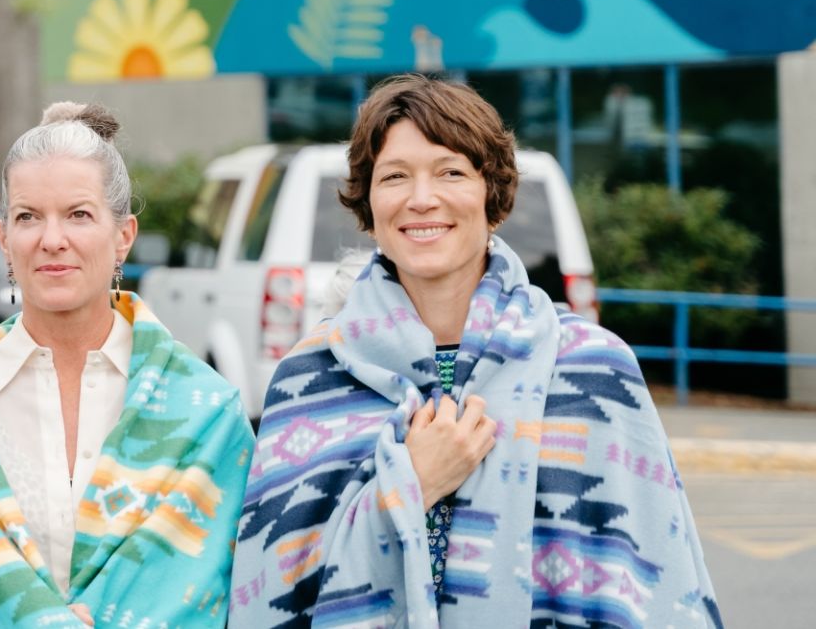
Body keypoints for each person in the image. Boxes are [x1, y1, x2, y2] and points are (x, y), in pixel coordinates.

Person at [229, 75, 722, 627]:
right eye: (394, 177)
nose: (422, 199)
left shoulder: (591, 368)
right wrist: (411, 484)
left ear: (494, 196)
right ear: (368, 204)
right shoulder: (310, 376)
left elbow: (657, 582)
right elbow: (272, 589)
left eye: (451, 172)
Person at [0, 102, 255, 627]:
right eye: (28, 217)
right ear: (4, 239)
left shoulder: (205, 415)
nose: (52, 239)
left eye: (78, 214)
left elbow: (225, 591)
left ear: (124, 235)